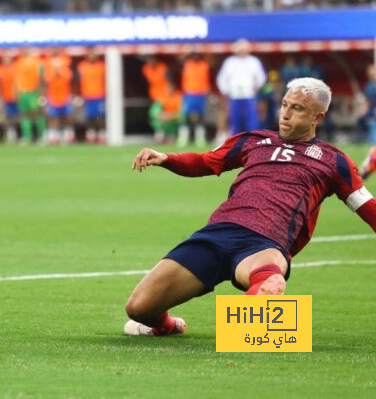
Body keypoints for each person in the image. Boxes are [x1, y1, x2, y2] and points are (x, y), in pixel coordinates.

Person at [123, 77, 376, 337]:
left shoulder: (334, 161)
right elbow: (205, 162)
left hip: (265, 244)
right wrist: (166, 158)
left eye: (297, 109)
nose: (286, 115)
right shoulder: (253, 140)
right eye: (285, 105)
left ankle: (250, 324)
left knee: (269, 279)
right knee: (138, 308)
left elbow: (367, 207)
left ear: (318, 118)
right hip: (216, 234)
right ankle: (169, 326)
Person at [216, 38, 266, 138]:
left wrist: (256, 87)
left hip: (249, 94)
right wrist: (225, 90)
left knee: (251, 119)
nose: (242, 51)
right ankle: (235, 140)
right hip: (234, 95)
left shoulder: (253, 61)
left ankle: (253, 139)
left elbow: (261, 77)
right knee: (235, 119)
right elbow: (221, 78)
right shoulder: (230, 62)